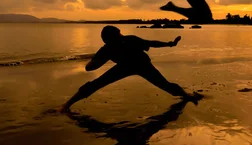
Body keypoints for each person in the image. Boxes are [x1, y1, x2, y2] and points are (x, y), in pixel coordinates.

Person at [59, 26, 198, 113]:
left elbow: (151, 43)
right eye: (117, 35)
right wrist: (95, 60)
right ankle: (66, 105)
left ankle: (186, 96)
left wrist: (169, 44)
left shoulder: (128, 40)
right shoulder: (106, 49)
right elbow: (90, 68)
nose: (120, 36)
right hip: (123, 67)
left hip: (142, 65)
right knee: (96, 84)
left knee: (166, 85)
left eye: (119, 34)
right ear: (109, 39)